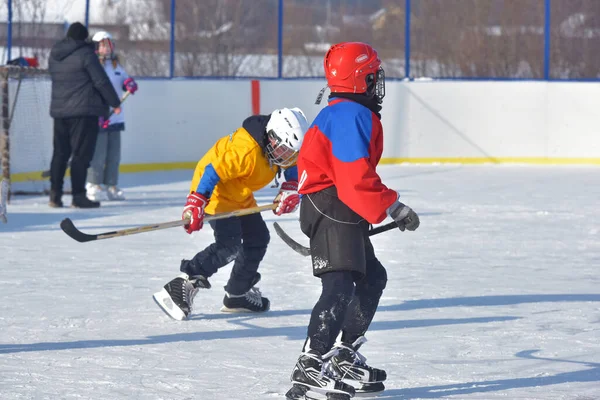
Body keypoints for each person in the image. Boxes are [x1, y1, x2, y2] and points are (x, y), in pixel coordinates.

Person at [285, 42, 421, 400]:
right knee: (340, 286)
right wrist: (394, 205)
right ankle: (311, 364)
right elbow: (353, 176)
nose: (378, 82)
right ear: (362, 79)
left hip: (339, 205)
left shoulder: (346, 112)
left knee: (373, 277)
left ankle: (343, 356)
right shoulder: (348, 115)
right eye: (374, 75)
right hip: (332, 204)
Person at [153, 107, 310, 321]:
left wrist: (292, 186)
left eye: (292, 152)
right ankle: (183, 282)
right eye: (284, 150)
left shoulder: (280, 147)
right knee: (229, 244)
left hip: (239, 193)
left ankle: (237, 294)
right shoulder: (245, 151)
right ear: (271, 137)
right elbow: (212, 171)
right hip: (216, 191)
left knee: (258, 238)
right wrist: (197, 202)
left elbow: (292, 164)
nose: (287, 157)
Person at [48, 22, 122, 208]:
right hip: (83, 112)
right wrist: (115, 102)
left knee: (60, 154)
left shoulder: (55, 55)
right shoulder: (86, 54)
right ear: (83, 38)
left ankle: (55, 196)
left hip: (59, 111)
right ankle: (78, 196)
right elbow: (100, 81)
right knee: (81, 155)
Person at [86, 31, 138, 202]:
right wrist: (98, 112)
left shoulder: (116, 65)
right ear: (95, 47)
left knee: (114, 155)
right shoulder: (92, 65)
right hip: (100, 116)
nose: (106, 48)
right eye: (102, 45)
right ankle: (94, 184)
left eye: (108, 44)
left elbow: (124, 79)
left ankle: (112, 185)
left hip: (115, 117)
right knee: (98, 155)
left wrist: (128, 83)